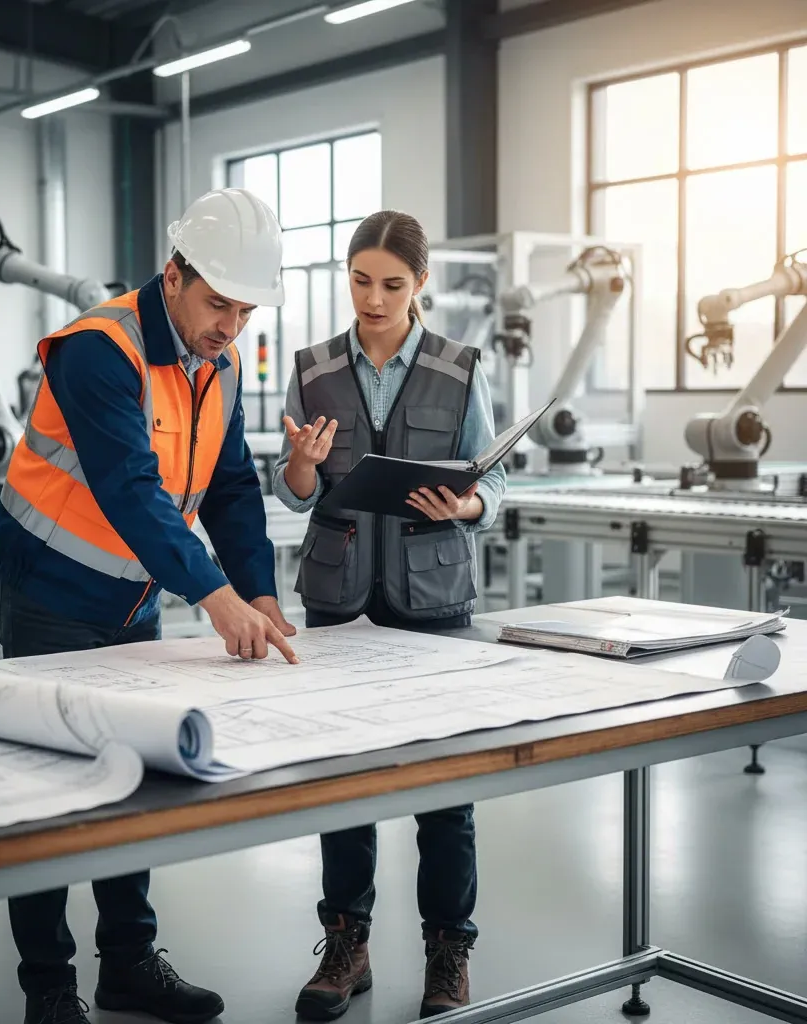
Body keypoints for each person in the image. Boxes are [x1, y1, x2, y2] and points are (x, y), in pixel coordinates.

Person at [0, 187, 299, 1024]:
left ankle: (127, 963)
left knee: (131, 778)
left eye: (244, 311)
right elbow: (130, 489)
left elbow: (231, 486)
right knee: (52, 789)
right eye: (217, 304)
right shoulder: (99, 349)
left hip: (133, 594)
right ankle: (49, 988)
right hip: (50, 585)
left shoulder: (221, 363)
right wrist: (215, 596)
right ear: (174, 274)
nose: (230, 326)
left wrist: (261, 592)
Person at [273, 209, 506, 1021]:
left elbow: (498, 486)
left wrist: (469, 501)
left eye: (392, 285)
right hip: (339, 603)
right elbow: (295, 490)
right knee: (346, 782)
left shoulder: (459, 367)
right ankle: (347, 944)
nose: (373, 299)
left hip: (434, 601)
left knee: (446, 791)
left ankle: (449, 953)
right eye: (360, 280)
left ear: (422, 284)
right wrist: (299, 471)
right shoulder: (311, 368)